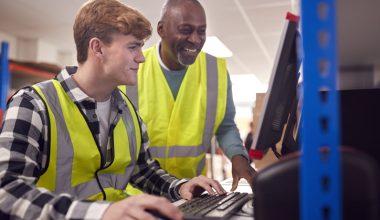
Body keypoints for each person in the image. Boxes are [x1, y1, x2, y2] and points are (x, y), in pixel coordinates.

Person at [0, 1, 226, 219]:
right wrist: (99, 213)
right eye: (133, 47)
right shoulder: (33, 104)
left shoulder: (128, 111)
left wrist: (180, 186)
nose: (141, 57)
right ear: (97, 48)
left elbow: (144, 171)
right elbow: (6, 190)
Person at [122, 0, 256, 191]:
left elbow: (225, 126)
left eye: (201, 31)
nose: (195, 39)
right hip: (137, 194)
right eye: (185, 30)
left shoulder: (215, 71)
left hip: (192, 192)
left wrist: (238, 157)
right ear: (161, 29)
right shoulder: (132, 69)